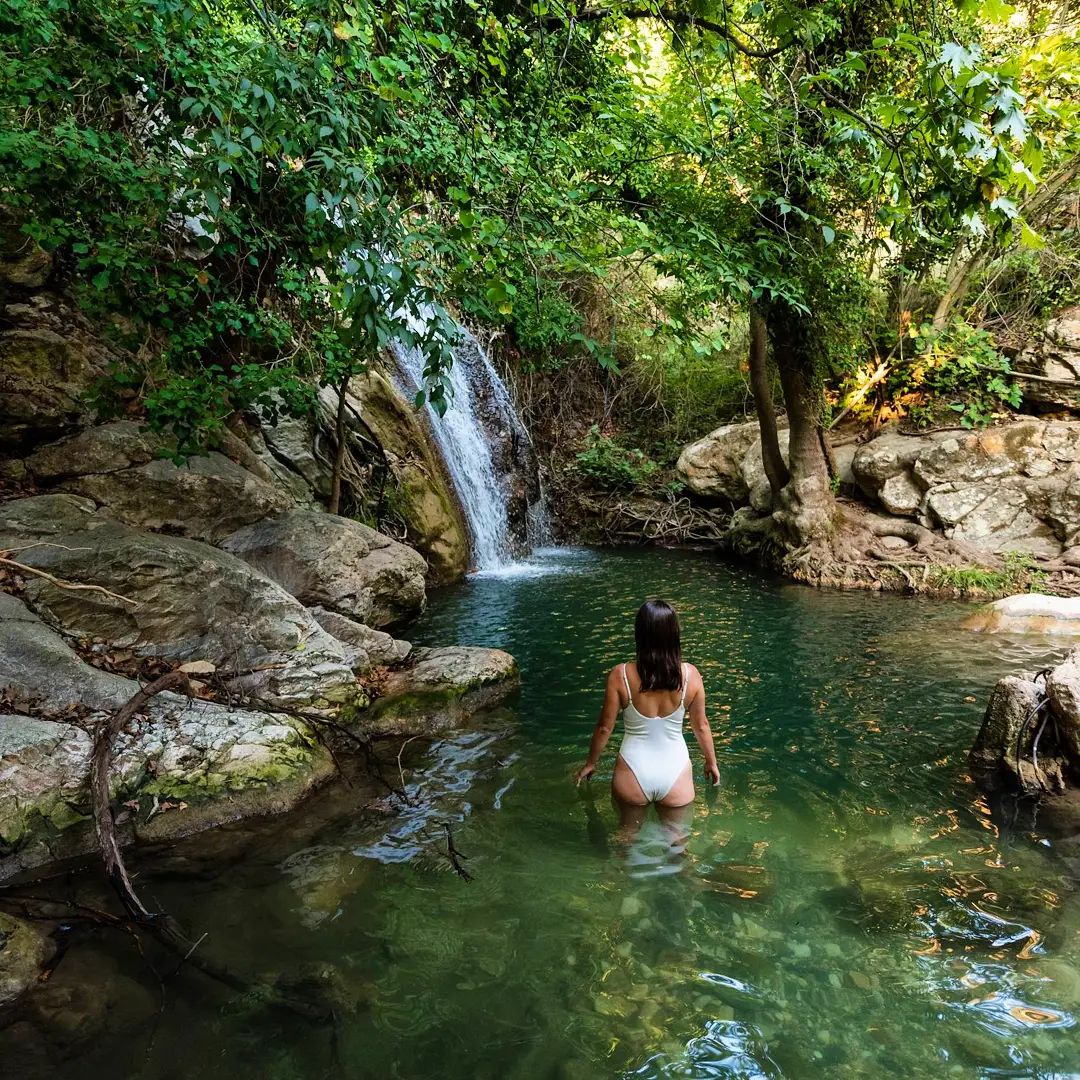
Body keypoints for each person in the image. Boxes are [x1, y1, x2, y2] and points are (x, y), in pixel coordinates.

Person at [575, 599, 720, 834]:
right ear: (674, 634)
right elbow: (701, 725)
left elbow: (604, 728)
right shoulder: (691, 675)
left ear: (639, 633)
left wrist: (591, 763)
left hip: (632, 771)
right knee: (677, 847)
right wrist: (711, 762)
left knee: (625, 841)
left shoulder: (620, 675)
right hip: (676, 771)